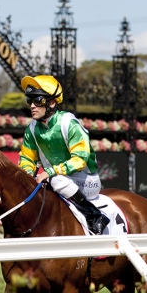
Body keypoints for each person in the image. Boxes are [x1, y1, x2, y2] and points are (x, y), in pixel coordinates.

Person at [18, 74, 111, 235]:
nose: (32, 105)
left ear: (52, 103)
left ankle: (94, 216)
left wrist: (50, 171)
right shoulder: (32, 129)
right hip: (56, 180)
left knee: (56, 179)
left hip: (86, 180)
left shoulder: (69, 123)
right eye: (30, 101)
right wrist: (27, 175)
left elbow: (80, 159)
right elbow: (27, 159)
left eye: (38, 100)